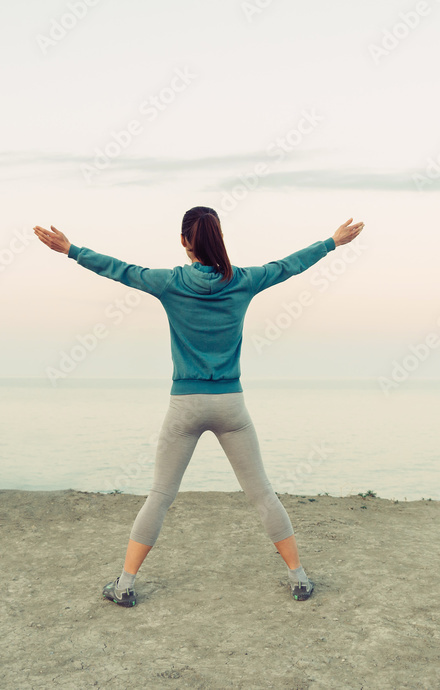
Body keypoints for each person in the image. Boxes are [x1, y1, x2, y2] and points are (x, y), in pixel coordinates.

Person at [33, 206, 365, 607]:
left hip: (185, 405)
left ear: (184, 241)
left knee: (160, 495)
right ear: (218, 238)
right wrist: (331, 242)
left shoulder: (170, 282)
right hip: (231, 404)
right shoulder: (243, 281)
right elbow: (289, 265)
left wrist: (71, 249)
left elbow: (120, 269)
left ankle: (124, 585)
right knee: (261, 494)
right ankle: (299, 579)